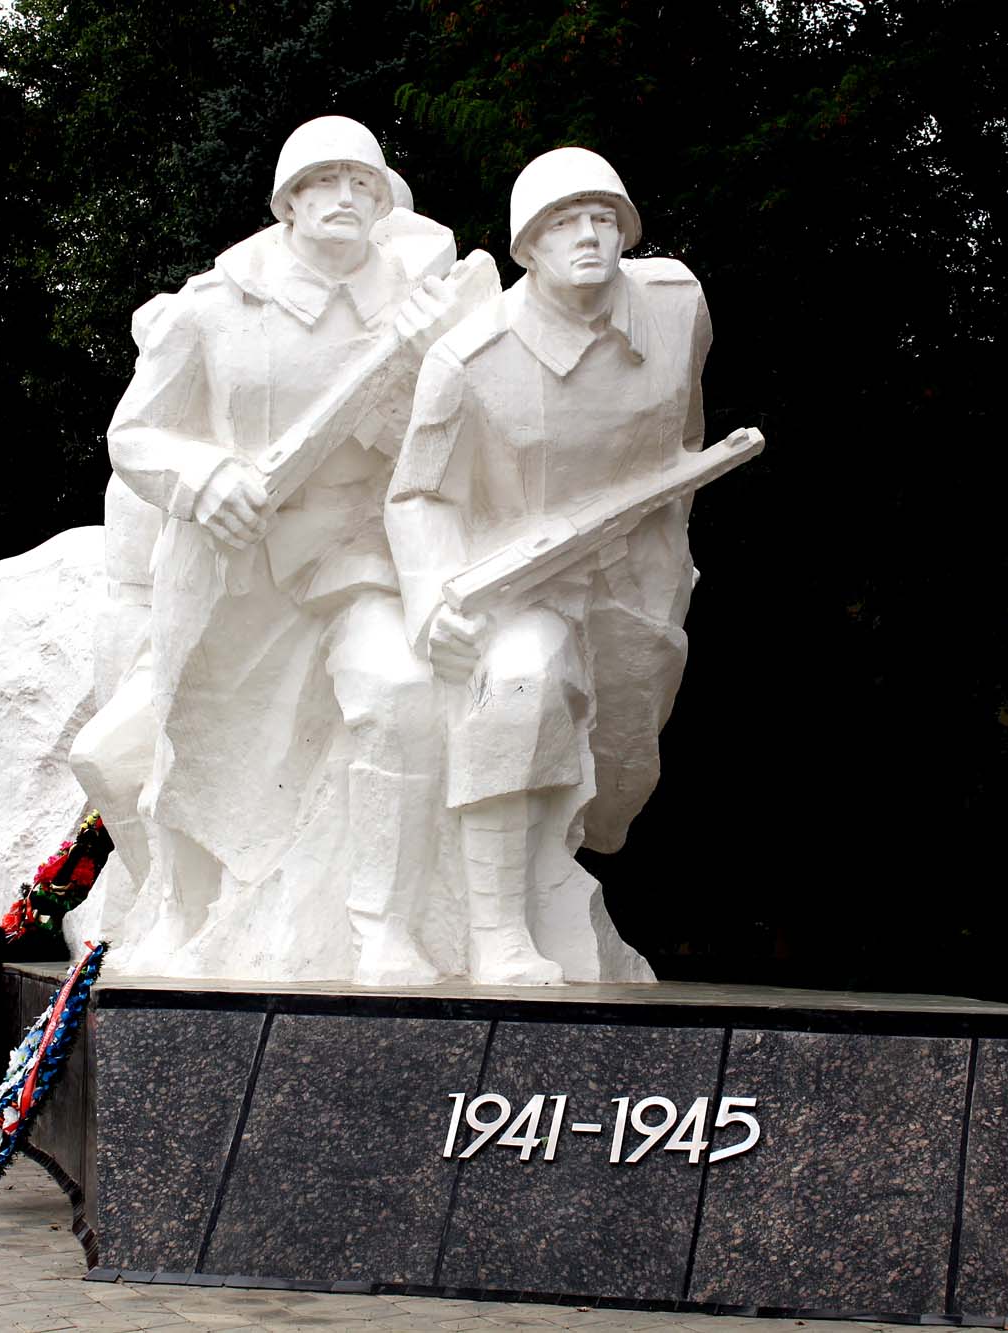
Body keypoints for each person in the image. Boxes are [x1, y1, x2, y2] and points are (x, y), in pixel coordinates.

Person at [103, 116, 472, 984]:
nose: (345, 198)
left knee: (400, 690)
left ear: (384, 203)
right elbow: (136, 434)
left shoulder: (424, 310)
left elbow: (453, 444)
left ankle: (382, 928)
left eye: (363, 184)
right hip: (232, 564)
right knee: (192, 725)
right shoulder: (213, 308)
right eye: (325, 181)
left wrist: (420, 373)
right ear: (290, 200)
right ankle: (183, 912)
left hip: (355, 549)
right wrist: (202, 481)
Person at [386, 147, 708, 985]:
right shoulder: (471, 359)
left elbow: (684, 430)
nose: (590, 236)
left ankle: (555, 877)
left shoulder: (678, 304)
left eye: (605, 217)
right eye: (564, 222)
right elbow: (418, 495)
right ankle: (498, 929)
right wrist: (431, 603)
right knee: (517, 692)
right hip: (519, 581)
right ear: (527, 246)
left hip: (636, 579)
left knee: (619, 776)